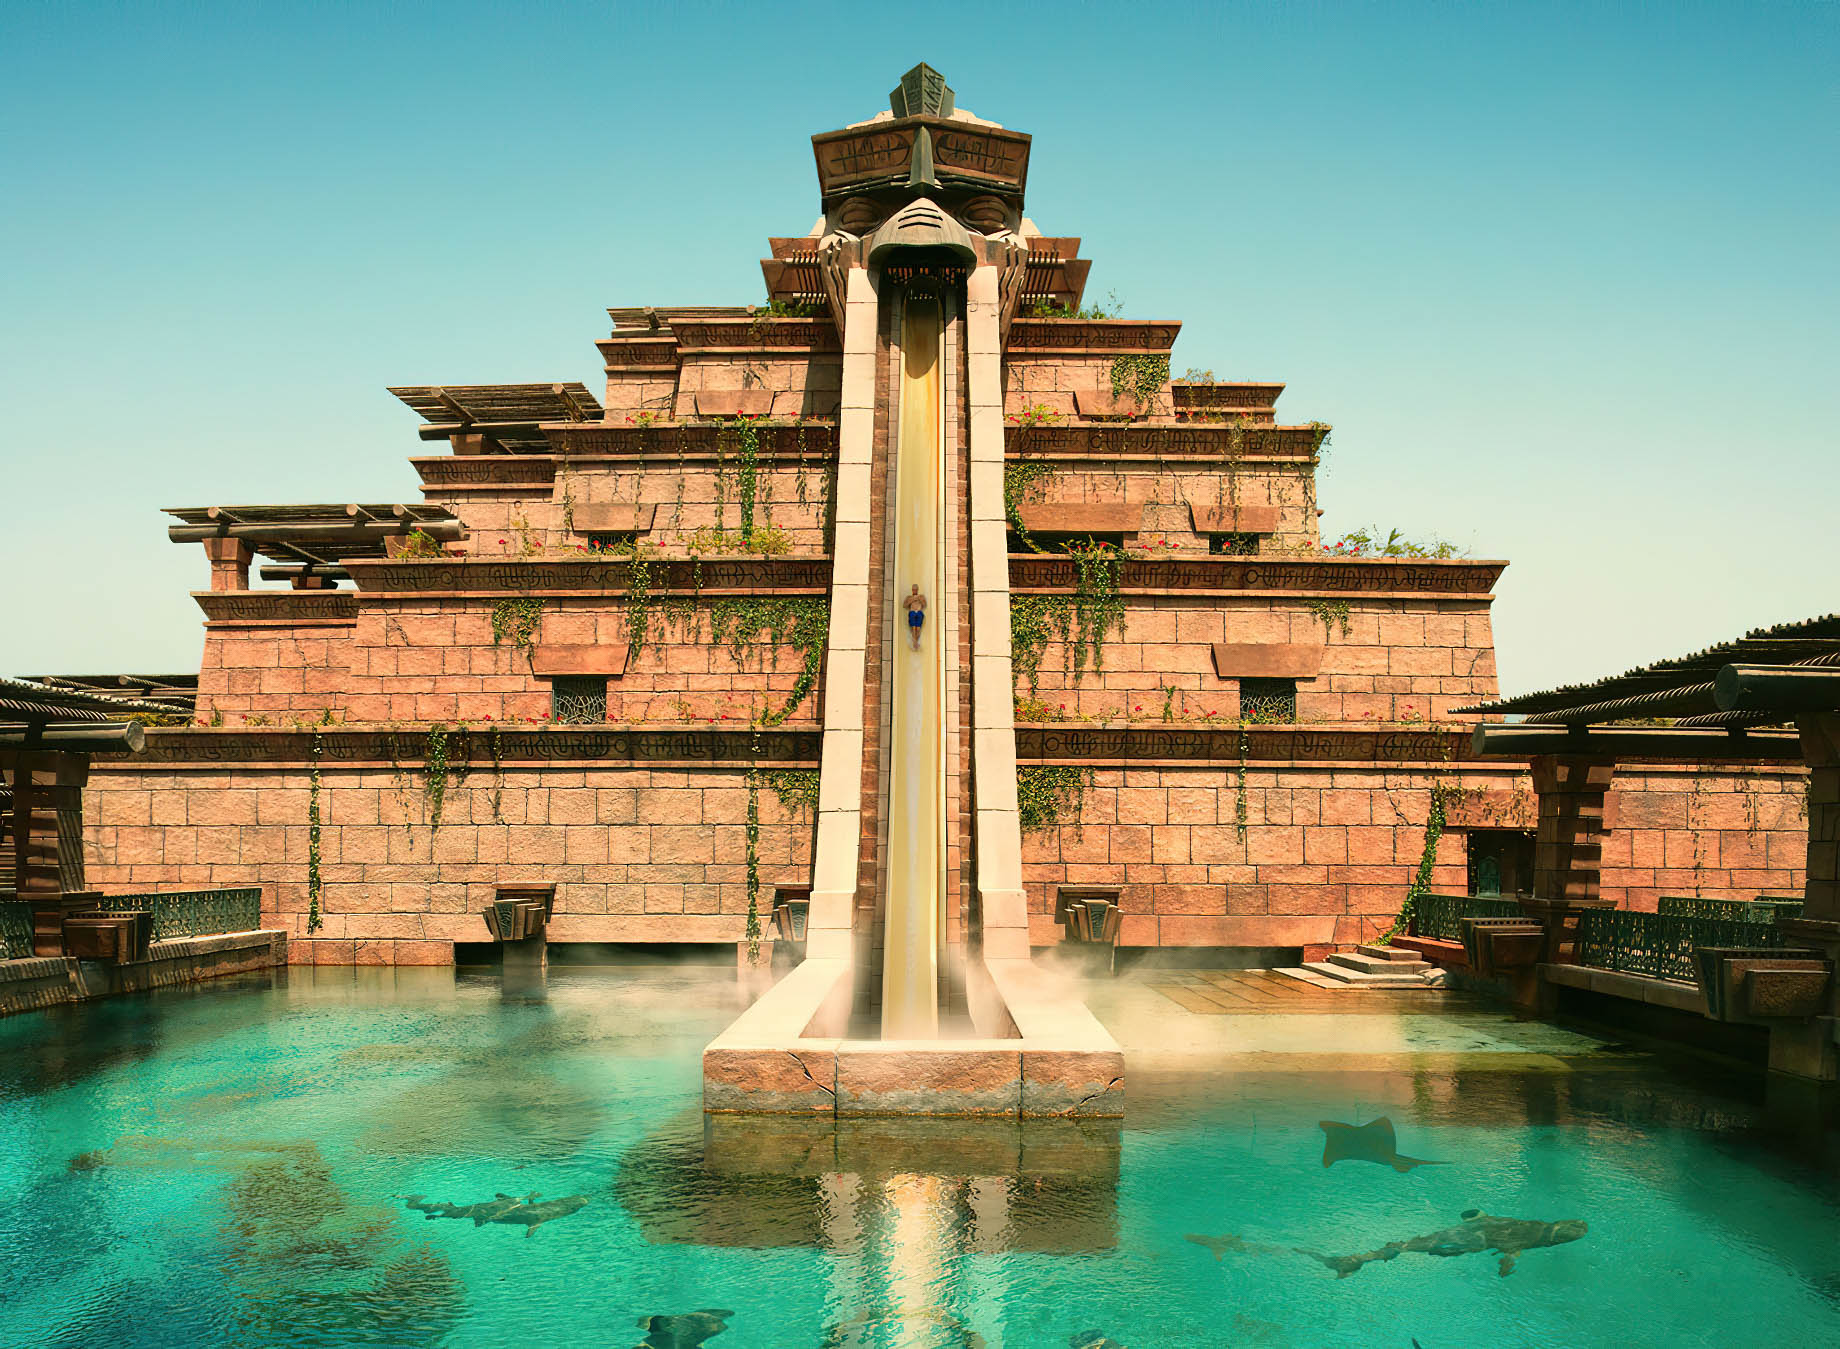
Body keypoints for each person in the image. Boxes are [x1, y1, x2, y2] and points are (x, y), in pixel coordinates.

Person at [904, 584, 927, 651]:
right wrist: (912, 600)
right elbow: (905, 605)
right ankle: (915, 643)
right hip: (912, 612)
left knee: (918, 628)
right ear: (912, 590)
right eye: (913, 589)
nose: (915, 591)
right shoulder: (909, 597)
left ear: (918, 590)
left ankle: (916, 642)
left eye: (916, 589)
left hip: (919, 612)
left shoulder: (921, 596)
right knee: (913, 628)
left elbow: (924, 605)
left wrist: (919, 599)